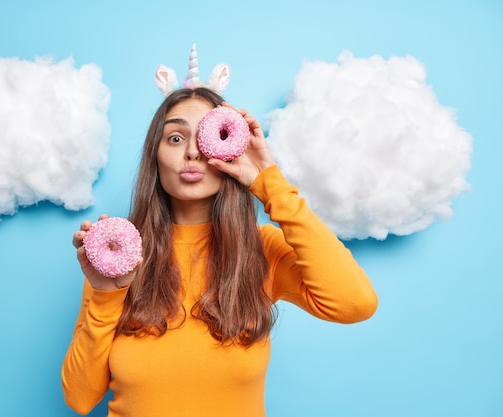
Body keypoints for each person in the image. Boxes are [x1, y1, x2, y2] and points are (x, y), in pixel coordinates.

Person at [61, 87, 378, 417]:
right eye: (174, 138)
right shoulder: (121, 255)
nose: (193, 152)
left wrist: (269, 184)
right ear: (154, 157)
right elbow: (79, 398)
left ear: (231, 148)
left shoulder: (260, 249)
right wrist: (106, 293)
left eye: (207, 136)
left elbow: (356, 303)